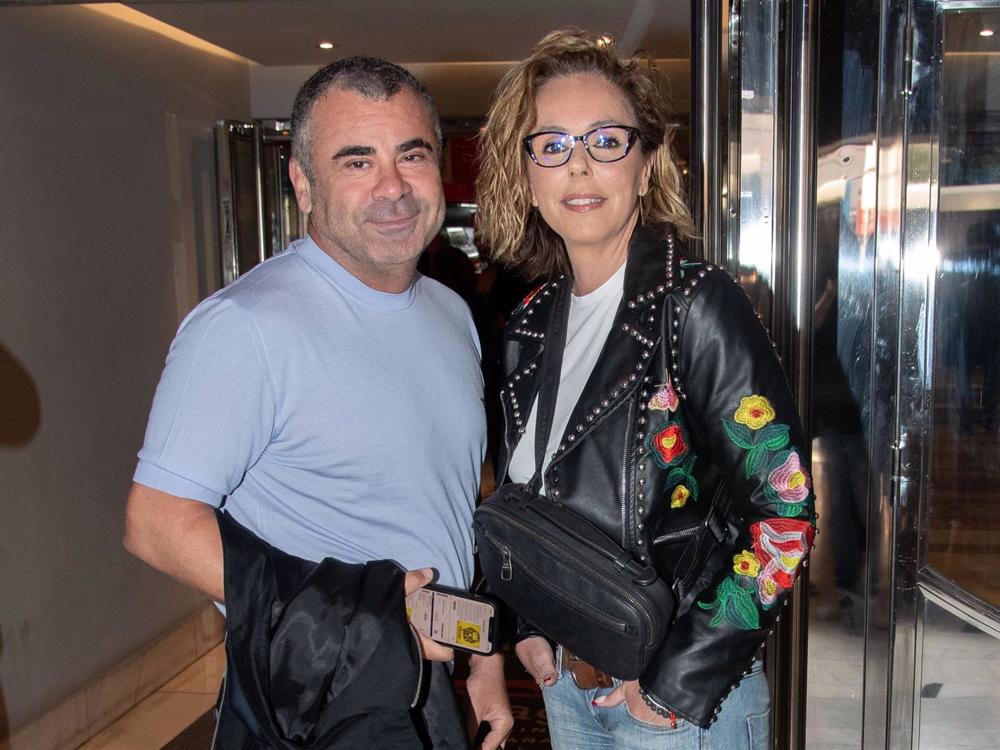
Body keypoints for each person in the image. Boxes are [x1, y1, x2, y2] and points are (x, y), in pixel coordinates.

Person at [124, 56, 512, 749]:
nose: (393, 187)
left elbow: (439, 507)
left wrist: (482, 658)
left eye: (412, 155)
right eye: (357, 161)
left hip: (432, 683)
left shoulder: (451, 313)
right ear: (303, 182)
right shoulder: (246, 326)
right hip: (320, 698)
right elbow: (155, 526)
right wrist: (366, 620)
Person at [475, 29, 816, 749]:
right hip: (567, 687)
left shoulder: (695, 304)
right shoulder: (531, 322)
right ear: (527, 176)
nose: (579, 166)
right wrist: (531, 622)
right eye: (552, 145)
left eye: (606, 141)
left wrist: (674, 685)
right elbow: (536, 500)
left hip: (674, 709)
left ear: (647, 164)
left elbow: (783, 512)